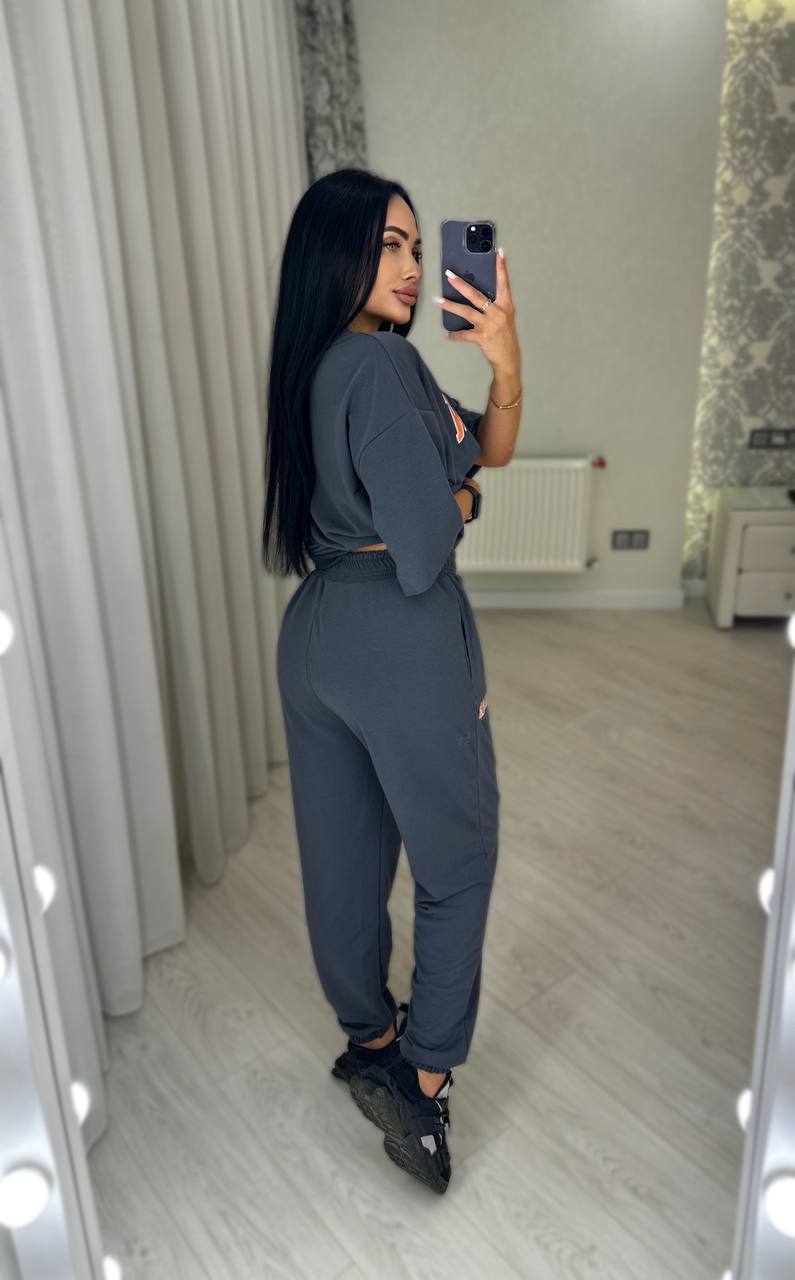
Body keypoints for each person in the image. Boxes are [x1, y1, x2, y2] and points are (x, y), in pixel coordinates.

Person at [265, 168, 522, 1193]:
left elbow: (490, 445)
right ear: (336, 253)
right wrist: (462, 502)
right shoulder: (379, 366)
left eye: (417, 247)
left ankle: (368, 1036)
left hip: (318, 632)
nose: (412, 267)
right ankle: (422, 1079)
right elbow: (424, 541)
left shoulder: (326, 361)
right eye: (389, 246)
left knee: (345, 851)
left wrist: (504, 357)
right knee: (457, 856)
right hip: (399, 633)